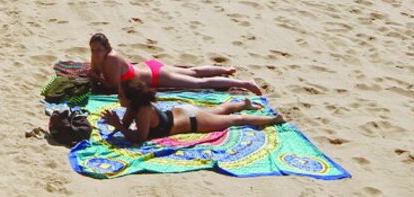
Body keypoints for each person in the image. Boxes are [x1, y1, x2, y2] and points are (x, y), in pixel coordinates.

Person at [101, 78, 283, 144]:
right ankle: (244, 104)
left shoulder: (143, 110)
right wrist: (116, 124)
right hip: (181, 112)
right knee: (218, 110)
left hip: (193, 120)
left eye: (121, 95)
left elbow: (139, 139)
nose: (118, 98)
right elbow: (124, 126)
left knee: (235, 121)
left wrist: (118, 126)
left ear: (131, 98)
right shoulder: (134, 106)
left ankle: (273, 119)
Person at [88, 33, 261, 94]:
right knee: (193, 72)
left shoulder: (111, 58)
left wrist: (97, 78)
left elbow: (114, 86)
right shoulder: (98, 56)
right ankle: (225, 70)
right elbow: (95, 71)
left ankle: (244, 83)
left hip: (156, 76)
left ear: (106, 47)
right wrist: (95, 73)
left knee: (199, 83)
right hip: (148, 66)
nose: (95, 53)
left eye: (98, 50)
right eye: (93, 50)